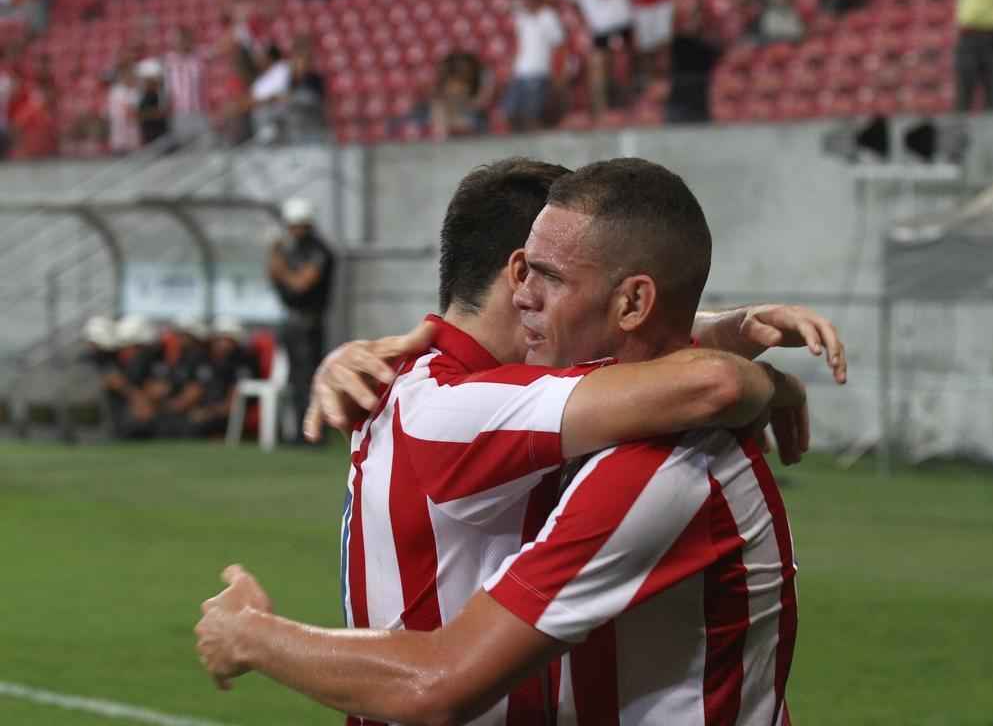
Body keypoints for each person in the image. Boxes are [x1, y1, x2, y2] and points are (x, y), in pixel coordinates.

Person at [196, 159, 846, 723]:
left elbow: (639, 354)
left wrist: (732, 333)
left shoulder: (435, 385)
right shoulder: (452, 410)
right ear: (513, 274)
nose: (533, 292)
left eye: (551, 276)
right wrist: (762, 382)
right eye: (531, 271)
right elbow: (704, 383)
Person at [268, 197, 334, 443]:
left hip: (310, 323)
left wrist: (281, 264)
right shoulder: (291, 250)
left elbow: (301, 283)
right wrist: (276, 256)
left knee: (310, 378)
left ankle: (313, 433)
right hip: (291, 322)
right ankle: (298, 431)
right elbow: (275, 275)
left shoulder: (319, 250)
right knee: (294, 379)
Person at [564, 0, 634, 114]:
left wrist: (584, 17)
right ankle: (629, 98)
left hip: (600, 22)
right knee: (628, 58)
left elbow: (571, 0)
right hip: (622, 15)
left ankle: (602, 105)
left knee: (599, 64)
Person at [503, 0, 563, 132]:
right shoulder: (522, 17)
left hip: (539, 72)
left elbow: (559, 46)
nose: (526, 2)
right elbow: (506, 8)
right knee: (510, 113)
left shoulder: (548, 17)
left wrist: (557, 72)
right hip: (520, 72)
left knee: (532, 115)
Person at [164, 27, 208, 148]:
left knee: (203, 148)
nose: (181, 43)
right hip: (179, 112)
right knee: (184, 150)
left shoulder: (199, 57)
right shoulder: (169, 60)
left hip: (199, 111)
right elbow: (166, 88)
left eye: (184, 39)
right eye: (178, 40)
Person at [107, 59, 140, 154]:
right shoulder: (116, 90)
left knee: (132, 144)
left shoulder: (135, 91)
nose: (129, 78)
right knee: (120, 143)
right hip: (120, 123)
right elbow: (119, 108)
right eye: (126, 75)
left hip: (132, 124)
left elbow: (133, 107)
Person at [136, 61, 169, 146]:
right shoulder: (140, 94)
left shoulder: (162, 94)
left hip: (160, 134)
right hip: (147, 134)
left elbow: (163, 113)